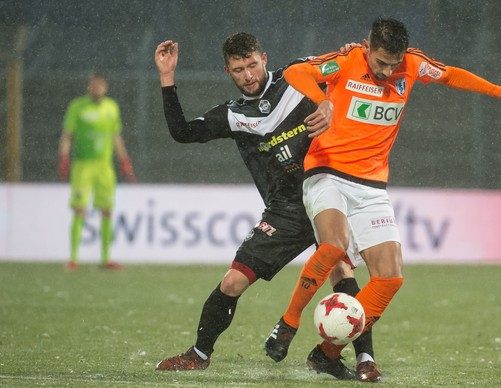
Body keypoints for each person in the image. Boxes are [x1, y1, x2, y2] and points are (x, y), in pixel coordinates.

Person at [264, 17, 501, 382]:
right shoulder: (347, 61)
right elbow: (298, 73)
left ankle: (326, 353)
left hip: (371, 186)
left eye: (392, 63)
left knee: (390, 278)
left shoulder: (411, 64)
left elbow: (452, 75)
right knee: (334, 245)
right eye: (380, 62)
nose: (387, 70)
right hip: (327, 171)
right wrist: (323, 101)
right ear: (367, 46)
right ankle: (288, 323)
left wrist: (500, 92)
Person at [153, 33, 380, 381]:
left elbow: (344, 67)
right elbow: (182, 132)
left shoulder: (297, 76)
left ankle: (365, 359)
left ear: (265, 58)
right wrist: (167, 77)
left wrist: (356, 53)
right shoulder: (232, 115)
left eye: (252, 65)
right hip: (285, 211)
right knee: (232, 283)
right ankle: (199, 354)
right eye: (238, 69)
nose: (248, 75)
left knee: (343, 276)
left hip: (324, 195)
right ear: (227, 71)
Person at [58, 72, 136, 271]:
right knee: (80, 209)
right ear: (88, 87)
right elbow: (68, 134)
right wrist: (64, 157)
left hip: (104, 166)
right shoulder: (78, 106)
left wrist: (124, 160)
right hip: (82, 165)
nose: (97, 89)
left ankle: (105, 258)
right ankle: (73, 258)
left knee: (107, 210)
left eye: (100, 85)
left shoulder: (111, 107)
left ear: (105, 87)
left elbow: (115, 136)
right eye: (94, 85)